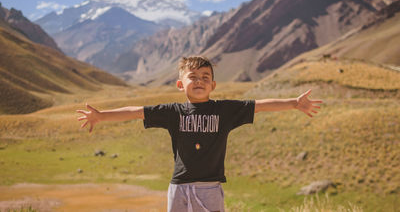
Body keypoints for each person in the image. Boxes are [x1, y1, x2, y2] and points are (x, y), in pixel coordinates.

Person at [77, 56, 322, 212]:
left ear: (213, 85)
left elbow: (260, 104)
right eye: (192, 77)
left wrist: (293, 102)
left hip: (210, 188)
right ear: (180, 84)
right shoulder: (173, 112)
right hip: (178, 186)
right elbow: (136, 112)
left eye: (205, 77)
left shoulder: (225, 110)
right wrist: (102, 116)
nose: (199, 81)